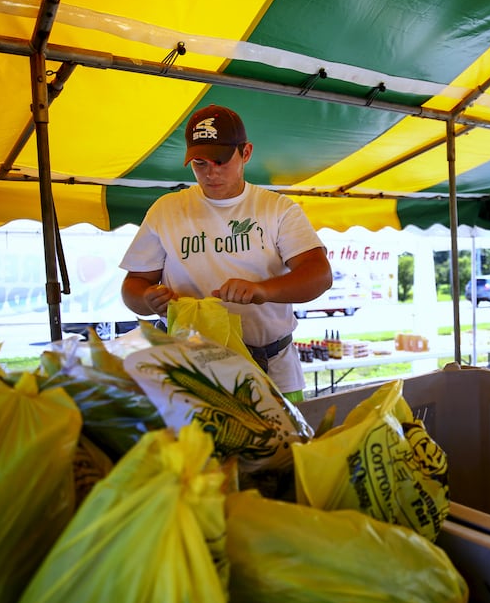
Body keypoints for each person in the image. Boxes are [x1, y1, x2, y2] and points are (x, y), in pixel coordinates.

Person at [119, 104, 332, 403]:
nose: (211, 174)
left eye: (221, 161)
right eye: (200, 164)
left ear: (245, 153)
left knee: (283, 449)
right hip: (189, 373)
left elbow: (319, 275)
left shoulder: (277, 209)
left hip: (272, 371)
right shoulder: (166, 210)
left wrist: (262, 290)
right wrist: (146, 299)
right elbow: (133, 285)